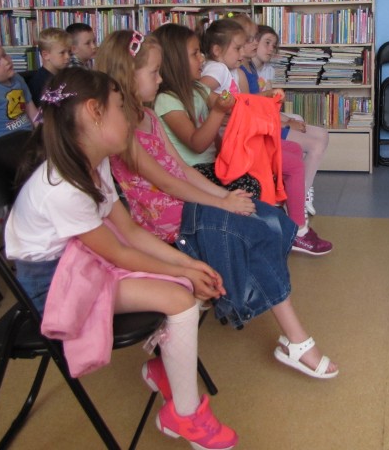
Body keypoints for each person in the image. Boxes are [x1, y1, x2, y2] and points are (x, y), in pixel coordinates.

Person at [4, 67, 237, 449]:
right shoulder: (64, 187)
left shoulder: (94, 161)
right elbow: (121, 252)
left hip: (83, 258)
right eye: (119, 107)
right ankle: (185, 415)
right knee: (181, 298)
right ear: (94, 112)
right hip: (53, 283)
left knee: (188, 282)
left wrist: (188, 265)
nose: (129, 117)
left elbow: (128, 230)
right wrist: (183, 271)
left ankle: (166, 372)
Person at [96, 29, 339, 378]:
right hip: (168, 224)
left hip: (186, 207)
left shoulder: (148, 117)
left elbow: (181, 169)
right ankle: (295, 339)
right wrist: (222, 203)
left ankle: (290, 334)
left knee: (268, 219)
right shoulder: (123, 132)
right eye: (154, 72)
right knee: (249, 232)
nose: (160, 79)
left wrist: (223, 197)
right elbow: (168, 182)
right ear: (127, 76)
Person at [198, 19, 331, 255]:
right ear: (218, 50)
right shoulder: (218, 69)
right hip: (236, 143)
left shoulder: (228, 69)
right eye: (239, 47)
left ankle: (290, 210)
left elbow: (240, 102)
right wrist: (220, 106)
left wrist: (262, 98)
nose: (243, 52)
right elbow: (200, 90)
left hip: (241, 137)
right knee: (293, 163)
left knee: (293, 152)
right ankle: (298, 230)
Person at [152, 24, 260, 197]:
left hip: (210, 164)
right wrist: (218, 111)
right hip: (190, 173)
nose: (202, 59)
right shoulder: (167, 100)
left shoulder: (198, 89)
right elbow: (197, 144)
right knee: (250, 185)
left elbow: (232, 106)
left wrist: (263, 98)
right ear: (175, 60)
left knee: (256, 175)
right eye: (195, 54)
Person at [250, 24, 329, 216]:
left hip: (268, 120)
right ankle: (298, 198)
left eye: (274, 45)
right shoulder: (246, 73)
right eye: (267, 43)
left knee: (320, 132)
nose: (271, 49)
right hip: (262, 127)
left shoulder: (264, 71)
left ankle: (302, 189)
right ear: (253, 43)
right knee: (316, 143)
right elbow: (256, 109)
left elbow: (268, 106)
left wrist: (288, 120)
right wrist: (286, 122)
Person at [27, 27, 72, 105]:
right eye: (62, 53)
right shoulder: (40, 83)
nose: (68, 56)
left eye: (69, 52)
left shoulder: (65, 76)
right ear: (46, 55)